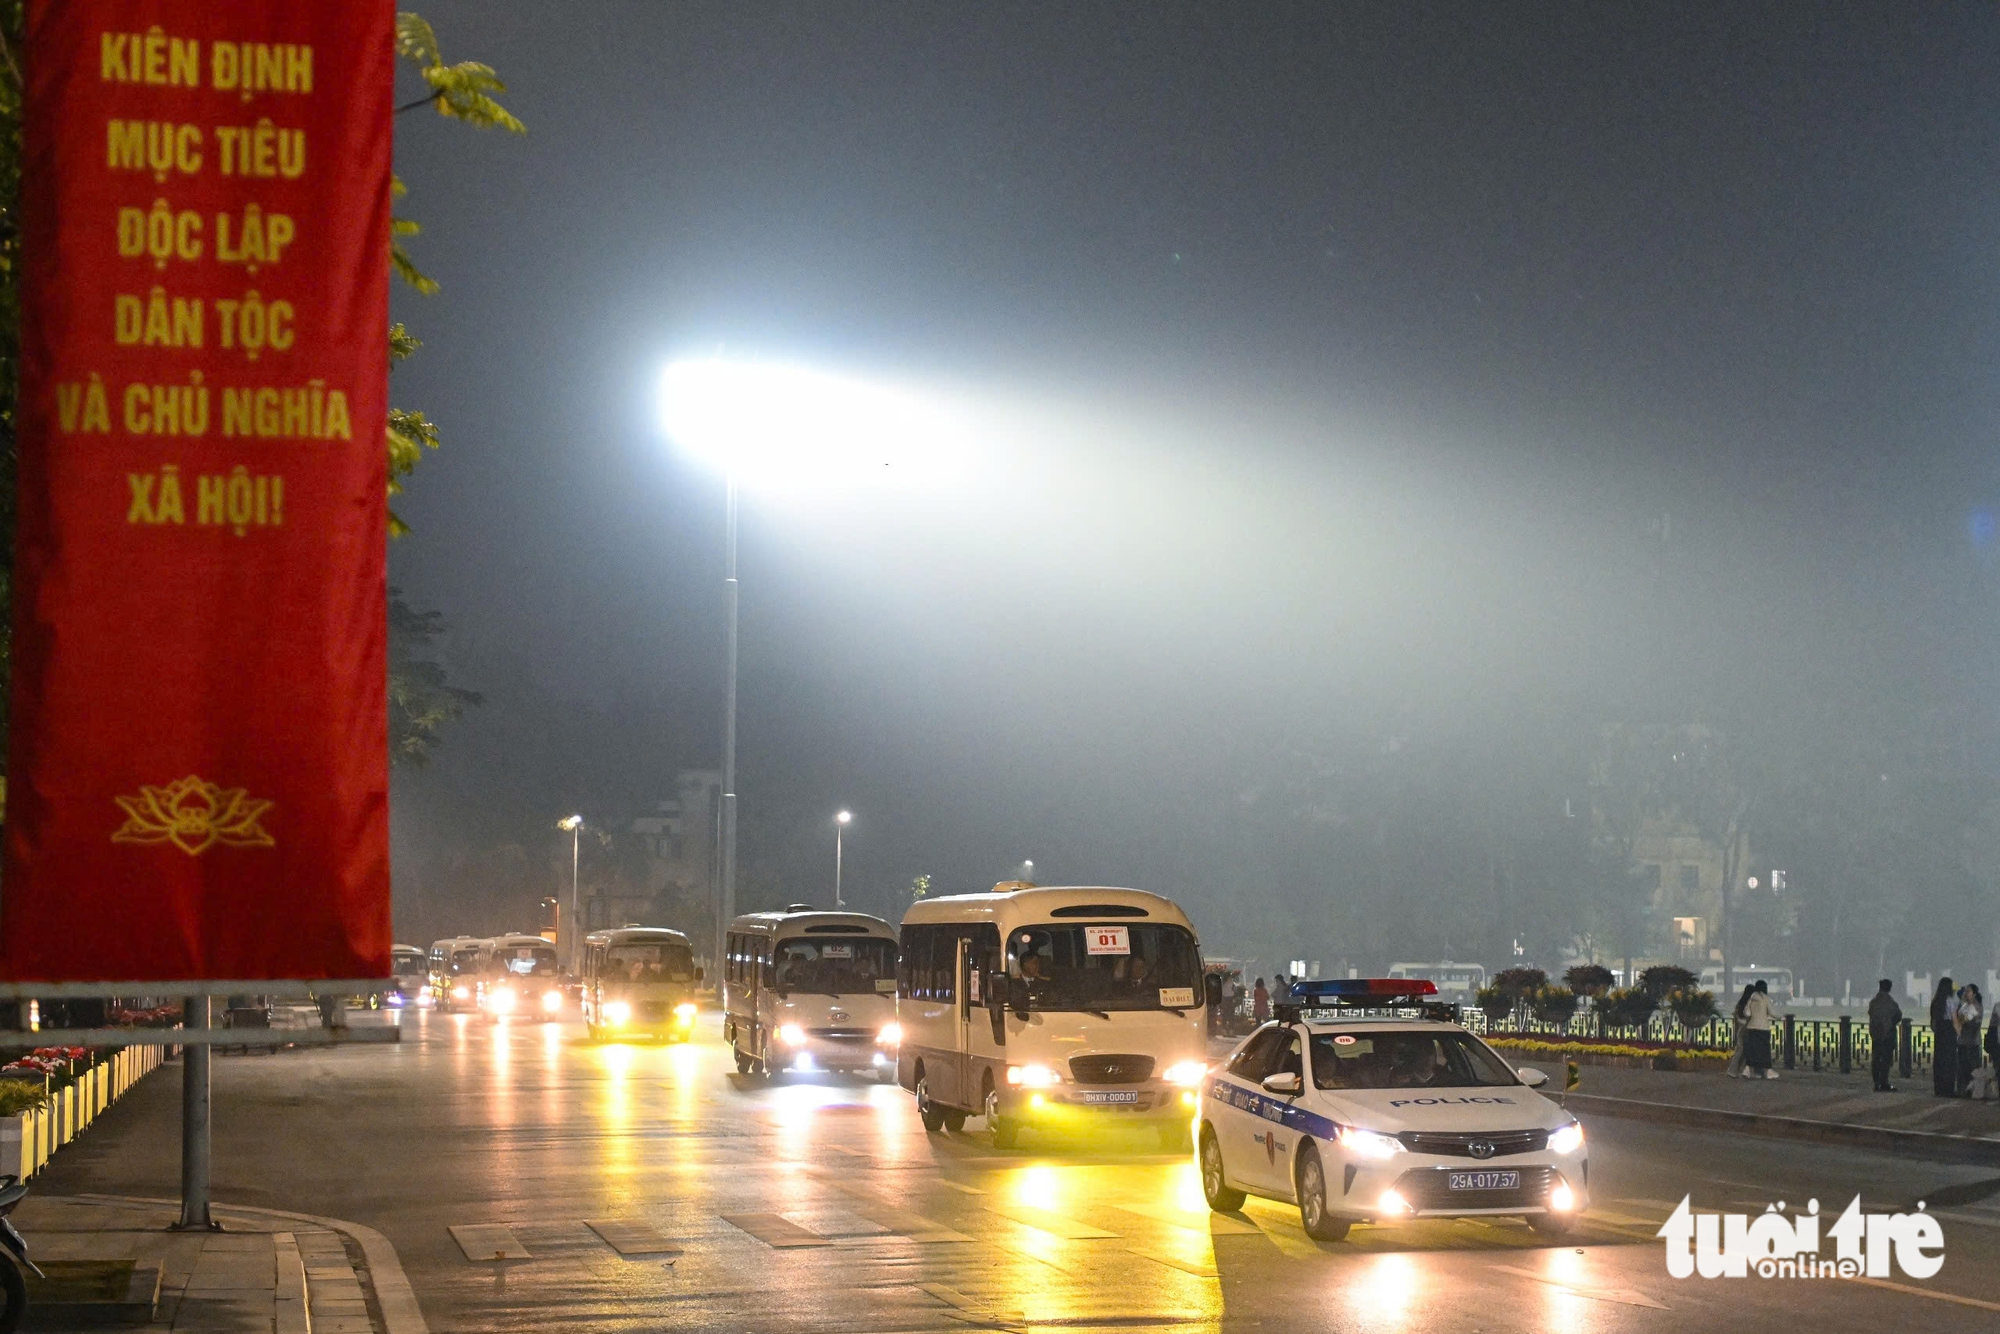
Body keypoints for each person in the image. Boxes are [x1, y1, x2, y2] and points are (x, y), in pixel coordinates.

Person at [1867, 978, 1902, 1092]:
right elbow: (1898, 1015)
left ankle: (1876, 1083)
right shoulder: (1891, 1003)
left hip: (1876, 1034)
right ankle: (1884, 1082)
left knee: (1876, 1058)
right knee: (1886, 1060)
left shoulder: (1874, 1002)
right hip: (1888, 1034)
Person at [1742, 980, 1776, 1079]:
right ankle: (1765, 1073)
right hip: (1763, 1028)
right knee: (1764, 1051)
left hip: (1751, 1028)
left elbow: (1747, 1013)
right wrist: (1780, 1017)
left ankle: (1751, 1072)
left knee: (1752, 1051)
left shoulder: (1751, 998)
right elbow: (1772, 1012)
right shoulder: (1765, 998)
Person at [1931, 977, 1958, 1098]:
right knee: (1949, 1061)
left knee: (1939, 1060)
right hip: (1949, 1032)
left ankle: (1939, 1088)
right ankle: (1948, 1088)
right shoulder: (1950, 1001)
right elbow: (1954, 1020)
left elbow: (1933, 1023)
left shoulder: (1936, 1001)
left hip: (1939, 1033)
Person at [1955, 983, 1984, 1097]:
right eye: (1965, 991)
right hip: (1963, 1041)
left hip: (1972, 1042)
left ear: (1974, 994)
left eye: (1968, 991)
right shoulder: (1964, 1005)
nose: (1965, 994)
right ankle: (1963, 1090)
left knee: (1972, 1068)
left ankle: (1974, 1091)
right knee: (1962, 1068)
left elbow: (1963, 1019)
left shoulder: (1976, 1006)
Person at [1725, 984, 1756, 1078]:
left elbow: (1736, 1017)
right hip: (1748, 1029)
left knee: (1740, 1051)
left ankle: (1734, 1071)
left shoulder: (1740, 1003)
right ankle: (1745, 1071)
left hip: (1741, 1029)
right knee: (1747, 1051)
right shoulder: (1750, 1004)